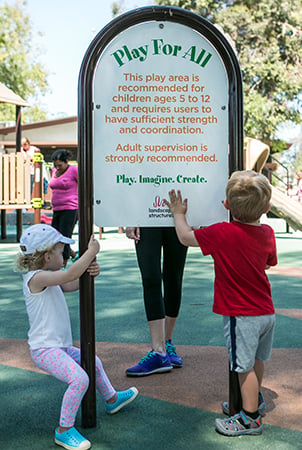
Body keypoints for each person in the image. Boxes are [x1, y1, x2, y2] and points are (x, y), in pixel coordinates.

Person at [164, 170, 277, 437]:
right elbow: (268, 263)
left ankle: (249, 418)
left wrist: (179, 214)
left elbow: (185, 237)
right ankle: (253, 400)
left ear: (226, 205)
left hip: (242, 314)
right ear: (267, 208)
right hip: (266, 312)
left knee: (242, 366)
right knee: (257, 360)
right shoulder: (268, 232)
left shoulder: (222, 232)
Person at [16, 224, 138, 450]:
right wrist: (90, 253)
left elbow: (71, 283)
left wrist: (89, 272)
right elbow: (71, 274)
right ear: (47, 255)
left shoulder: (49, 276)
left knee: (93, 361)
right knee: (79, 379)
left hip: (59, 347)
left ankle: (111, 399)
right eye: (62, 250)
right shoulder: (36, 278)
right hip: (45, 350)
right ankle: (63, 430)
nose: (66, 253)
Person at [125, 227, 187, 376]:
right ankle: (159, 351)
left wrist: (195, 218)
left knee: (174, 277)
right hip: (146, 217)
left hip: (177, 214)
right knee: (150, 278)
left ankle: (166, 342)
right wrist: (130, 217)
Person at [49, 149, 78, 266]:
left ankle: (63, 263)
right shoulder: (55, 171)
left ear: (66, 161)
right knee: (54, 236)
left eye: (60, 165)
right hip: (57, 209)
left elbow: (86, 184)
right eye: (55, 165)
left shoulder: (74, 170)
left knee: (64, 236)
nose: (58, 167)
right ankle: (73, 254)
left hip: (70, 208)